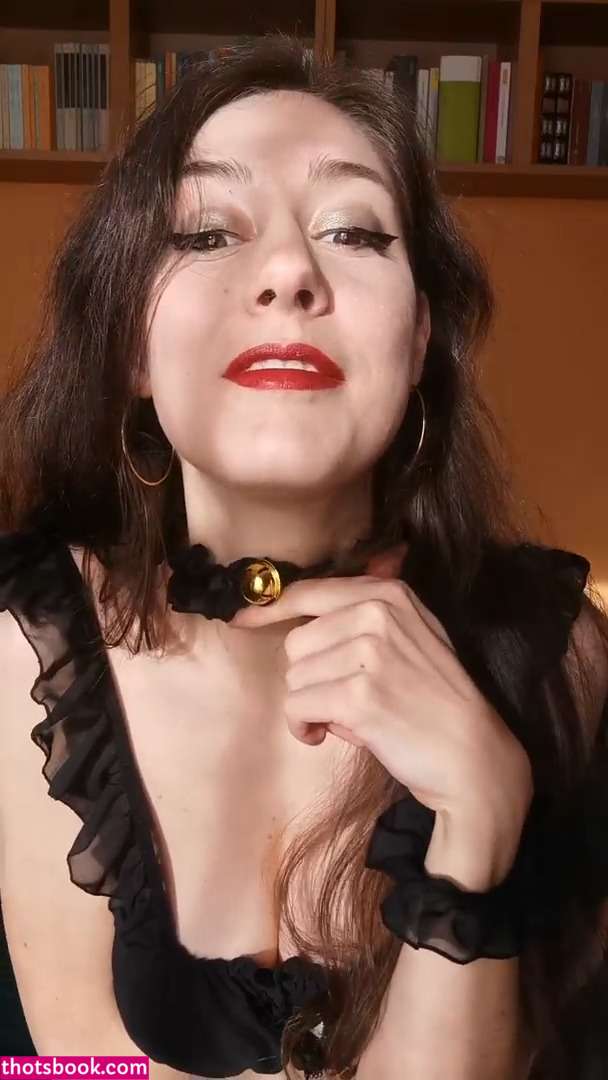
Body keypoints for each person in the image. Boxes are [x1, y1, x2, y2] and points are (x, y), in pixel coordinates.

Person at [0, 32, 607, 1080]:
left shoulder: (561, 659)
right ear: (133, 347)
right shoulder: (23, 643)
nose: (287, 272)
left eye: (353, 231)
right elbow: (73, 1069)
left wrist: (476, 813)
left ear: (418, 342)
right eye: (205, 233)